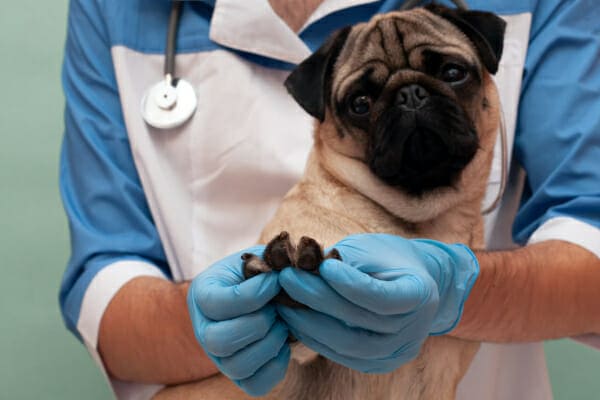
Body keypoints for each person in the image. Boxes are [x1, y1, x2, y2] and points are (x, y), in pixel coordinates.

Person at [58, 0, 600, 399]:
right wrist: (213, 321)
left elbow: (590, 232)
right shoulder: (115, 9)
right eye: (364, 103)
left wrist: (460, 291)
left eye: (450, 74)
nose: (410, 100)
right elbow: (104, 281)